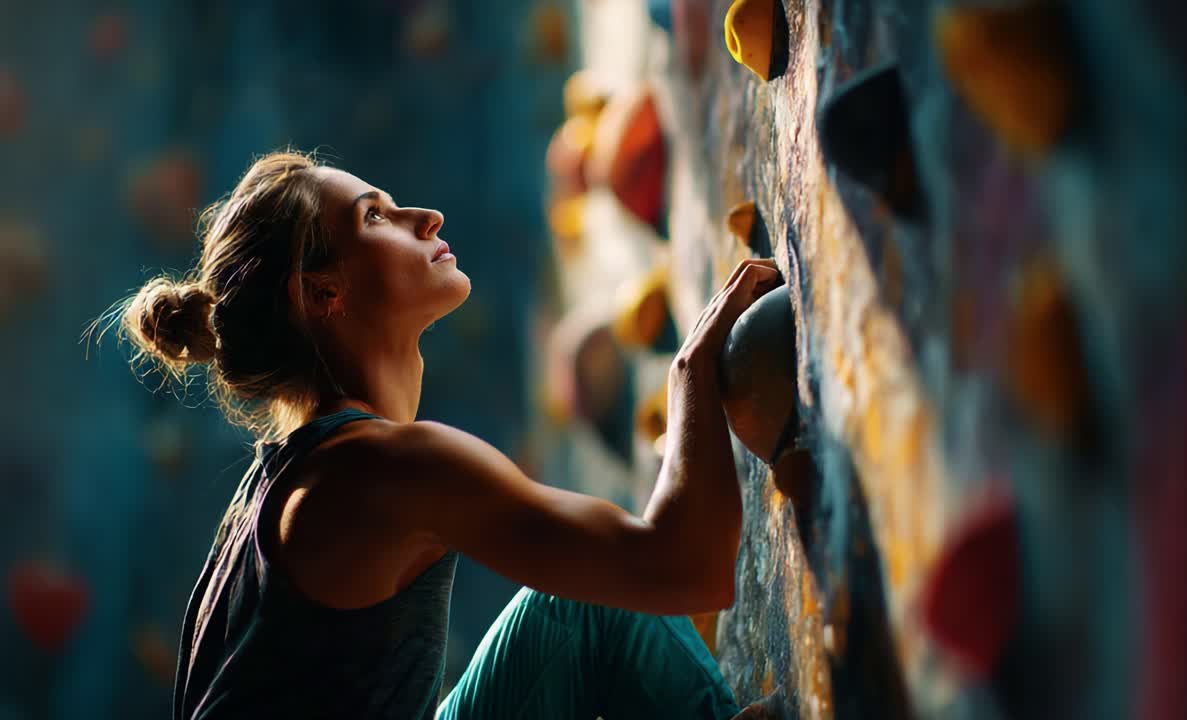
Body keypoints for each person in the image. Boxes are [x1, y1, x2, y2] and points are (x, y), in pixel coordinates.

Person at [105, 150, 785, 719]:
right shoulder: (375, 472)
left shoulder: (284, 489)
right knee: (591, 605)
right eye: (375, 217)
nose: (423, 217)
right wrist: (693, 375)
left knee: (585, 597)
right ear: (320, 295)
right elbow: (687, 568)